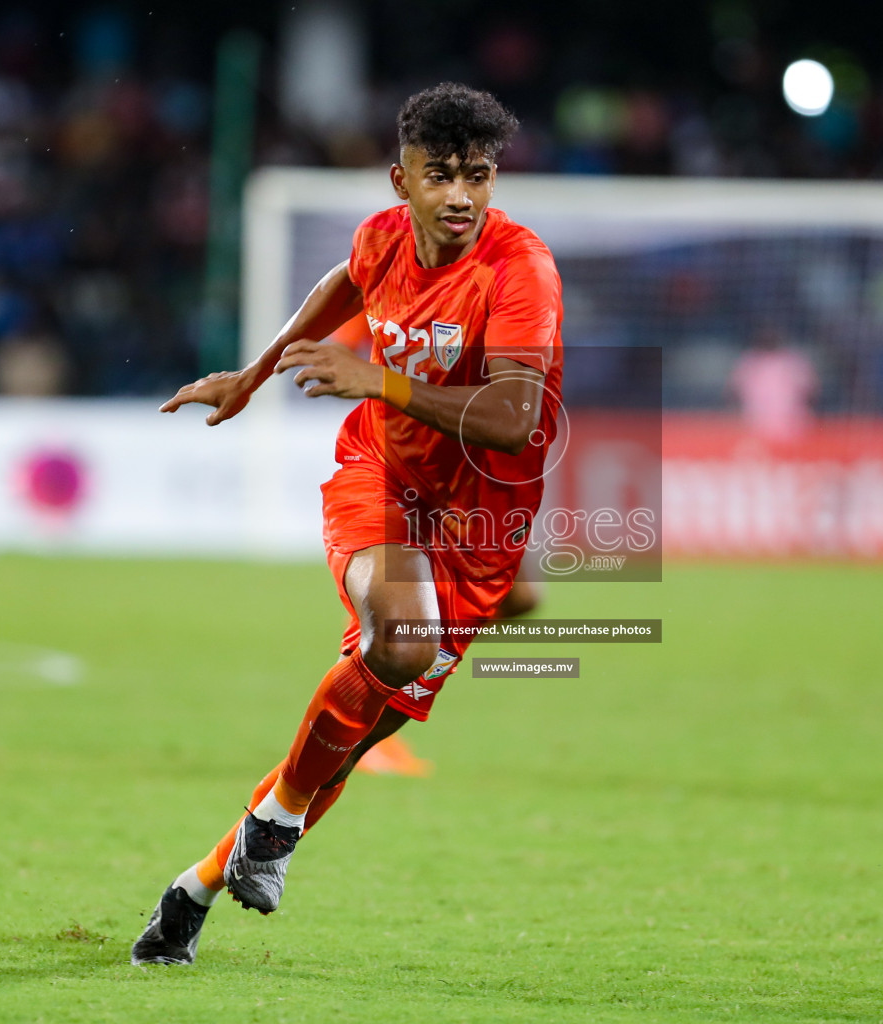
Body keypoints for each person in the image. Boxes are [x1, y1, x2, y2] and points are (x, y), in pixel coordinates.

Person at [131, 83, 564, 966]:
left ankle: (199, 885)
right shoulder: (381, 238)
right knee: (402, 641)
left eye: (477, 177)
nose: (459, 197)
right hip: (382, 475)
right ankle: (278, 827)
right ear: (399, 179)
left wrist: (384, 380)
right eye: (438, 176)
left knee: (366, 724)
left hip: (479, 516)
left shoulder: (520, 270)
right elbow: (348, 282)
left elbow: (517, 418)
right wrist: (251, 377)